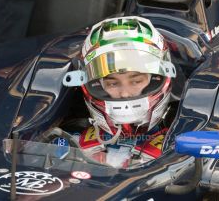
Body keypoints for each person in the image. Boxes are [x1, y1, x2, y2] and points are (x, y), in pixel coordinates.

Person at [62, 16, 177, 168]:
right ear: (95, 85)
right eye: (113, 83)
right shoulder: (70, 141)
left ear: (157, 78)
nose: (125, 94)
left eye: (136, 81)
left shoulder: (178, 144)